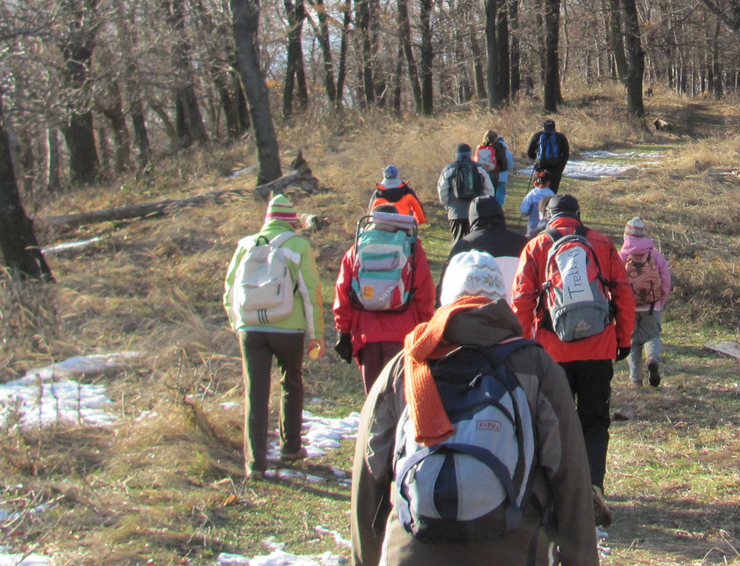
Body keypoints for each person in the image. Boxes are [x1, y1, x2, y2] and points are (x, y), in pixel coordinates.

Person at [351, 251, 599, 566]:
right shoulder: (533, 364)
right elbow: (569, 472)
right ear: (501, 302)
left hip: (416, 564)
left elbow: (370, 469)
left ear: (444, 300)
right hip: (514, 565)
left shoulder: (406, 363)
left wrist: (368, 560)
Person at [510, 193, 634, 517]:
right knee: (594, 422)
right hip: (599, 347)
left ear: (547, 218)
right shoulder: (601, 243)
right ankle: (593, 487)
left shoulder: (536, 247)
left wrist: (522, 348)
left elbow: (522, 301)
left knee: (554, 423)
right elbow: (622, 292)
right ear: (578, 215)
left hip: (553, 353)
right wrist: (623, 340)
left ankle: (558, 493)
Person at [223, 194, 324, 479]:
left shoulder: (245, 245)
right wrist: (316, 335)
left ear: (267, 220)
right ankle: (290, 447)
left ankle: (255, 463)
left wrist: (238, 324)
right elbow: (311, 292)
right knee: (291, 383)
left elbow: (229, 288)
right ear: (291, 221)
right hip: (288, 328)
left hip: (250, 328)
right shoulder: (298, 245)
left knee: (255, 393)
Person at [333, 212, 438, 394]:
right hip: (403, 336)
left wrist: (343, 331)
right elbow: (424, 294)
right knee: (402, 402)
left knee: (374, 403)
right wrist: (427, 330)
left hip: (367, 338)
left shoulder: (356, 250)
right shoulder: (412, 250)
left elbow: (343, 293)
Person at [618, 217, 673, 388]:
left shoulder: (622, 256)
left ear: (626, 236)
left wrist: (616, 305)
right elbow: (666, 281)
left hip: (628, 307)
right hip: (652, 305)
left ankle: (635, 380)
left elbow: (615, 282)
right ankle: (652, 359)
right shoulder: (656, 255)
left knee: (632, 341)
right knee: (652, 336)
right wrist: (661, 301)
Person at [449, 194, 529, 297]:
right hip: (516, 308)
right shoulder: (524, 244)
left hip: (478, 309)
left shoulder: (463, 246)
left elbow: (447, 286)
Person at [438, 142, 491, 241]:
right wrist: (486, 207)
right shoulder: (480, 168)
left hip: (456, 212)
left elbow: (442, 190)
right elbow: (489, 190)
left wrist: (447, 204)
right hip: (477, 213)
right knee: (476, 242)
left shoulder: (449, 169)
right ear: (470, 154)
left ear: (457, 155)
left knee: (458, 242)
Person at [525, 119, 570, 191]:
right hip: (556, 167)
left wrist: (536, 160)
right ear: (554, 127)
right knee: (552, 190)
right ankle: (550, 201)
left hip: (540, 166)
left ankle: (539, 201)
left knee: (538, 187)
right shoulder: (561, 137)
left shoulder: (537, 136)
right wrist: (561, 166)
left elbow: (529, 152)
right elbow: (566, 154)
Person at [475, 130, 514, 205]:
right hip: (496, 174)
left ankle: (484, 209)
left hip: (482, 173)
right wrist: (504, 169)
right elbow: (502, 162)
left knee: (484, 192)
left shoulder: (480, 147)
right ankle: (497, 209)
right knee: (498, 193)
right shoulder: (499, 146)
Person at [519, 170, 556, 237]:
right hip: (547, 228)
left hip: (532, 226)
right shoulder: (551, 195)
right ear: (548, 183)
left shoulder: (532, 194)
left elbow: (524, 210)